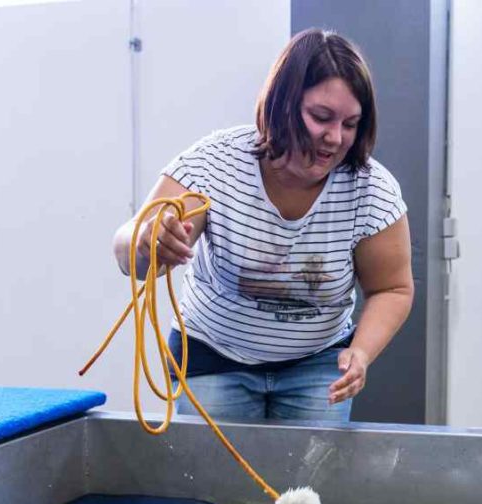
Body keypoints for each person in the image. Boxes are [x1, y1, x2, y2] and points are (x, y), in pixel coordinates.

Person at [111, 28, 413, 422]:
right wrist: (146, 241)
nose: (335, 137)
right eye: (321, 117)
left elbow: (392, 288)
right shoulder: (214, 163)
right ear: (281, 104)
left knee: (311, 466)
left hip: (317, 364)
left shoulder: (372, 189)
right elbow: (131, 253)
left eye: (350, 124)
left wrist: (362, 352)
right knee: (211, 465)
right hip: (213, 357)